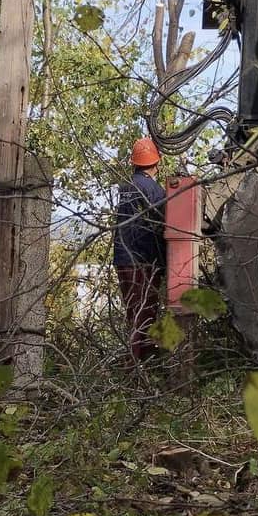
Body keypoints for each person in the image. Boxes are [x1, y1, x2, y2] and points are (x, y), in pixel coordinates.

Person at [113, 137, 166, 362]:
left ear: (134, 163)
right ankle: (137, 367)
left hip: (123, 260)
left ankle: (142, 360)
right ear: (157, 162)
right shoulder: (154, 190)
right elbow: (165, 224)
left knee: (134, 313)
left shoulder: (126, 188)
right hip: (143, 262)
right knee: (144, 315)